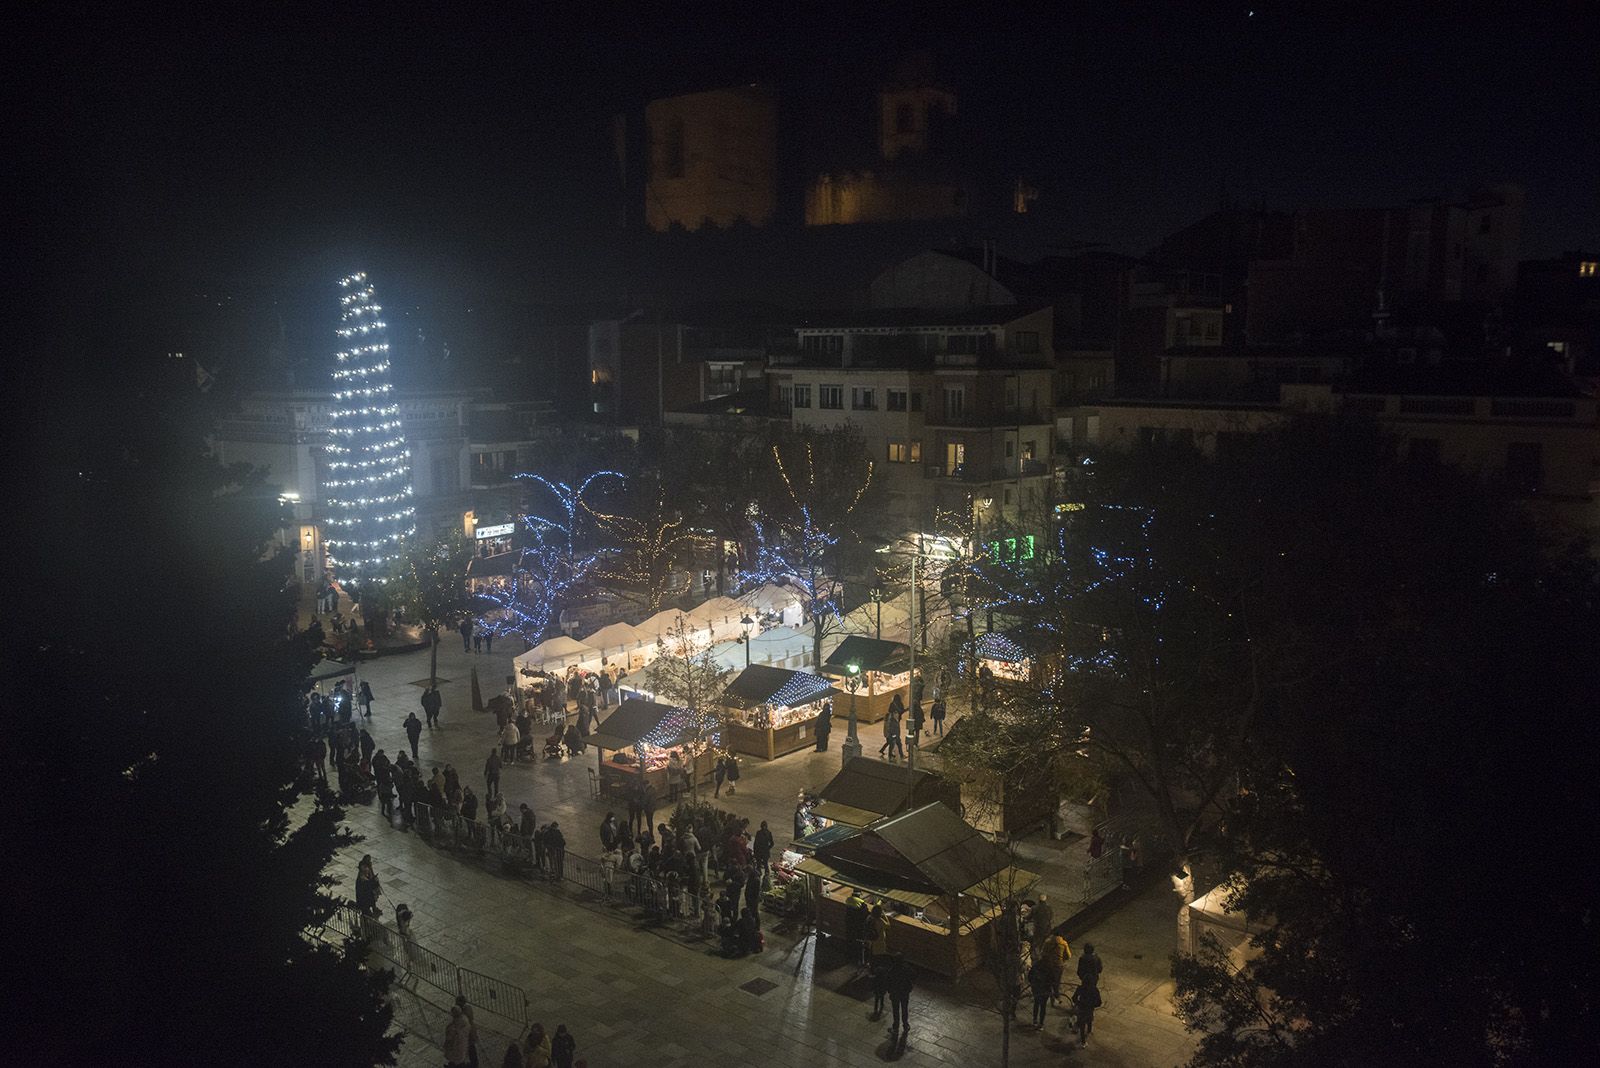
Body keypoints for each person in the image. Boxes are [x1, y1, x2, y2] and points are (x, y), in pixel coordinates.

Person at [886, 954, 915, 1049]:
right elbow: (913, 976)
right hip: (904, 992)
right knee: (904, 1008)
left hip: (895, 993)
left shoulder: (892, 970)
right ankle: (905, 1024)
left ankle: (895, 1026)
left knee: (895, 1009)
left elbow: (889, 981)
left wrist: (889, 990)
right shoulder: (907, 968)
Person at [1072, 981, 1101, 1046]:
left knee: (1082, 1025)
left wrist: (1078, 1003)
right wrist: (1092, 1005)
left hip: (1082, 1008)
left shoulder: (1080, 988)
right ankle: (1089, 1031)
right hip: (1089, 1009)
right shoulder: (1094, 990)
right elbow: (1099, 1002)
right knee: (1089, 1020)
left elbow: (1074, 998)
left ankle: (1083, 1042)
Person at [1027, 955, 1053, 1028]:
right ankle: (1041, 1023)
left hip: (1036, 988)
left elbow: (1030, 976)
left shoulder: (1036, 965)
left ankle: (1035, 1020)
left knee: (1036, 1003)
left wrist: (1032, 984)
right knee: (1043, 1006)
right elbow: (1052, 979)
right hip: (1045, 989)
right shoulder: (1050, 967)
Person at [454, 995, 480, 1068]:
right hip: (468, 1033)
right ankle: (473, 1063)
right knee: (470, 1049)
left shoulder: (463, 1011)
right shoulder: (467, 1008)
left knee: (468, 1049)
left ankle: (471, 1064)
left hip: (467, 1034)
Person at [373, 750, 394, 816]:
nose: (382, 754)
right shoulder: (375, 759)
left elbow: (388, 761)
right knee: (380, 786)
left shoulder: (384, 757)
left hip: (385, 773)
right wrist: (382, 767)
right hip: (379, 775)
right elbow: (375, 766)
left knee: (388, 784)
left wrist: (387, 765)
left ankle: (390, 793)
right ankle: (381, 795)